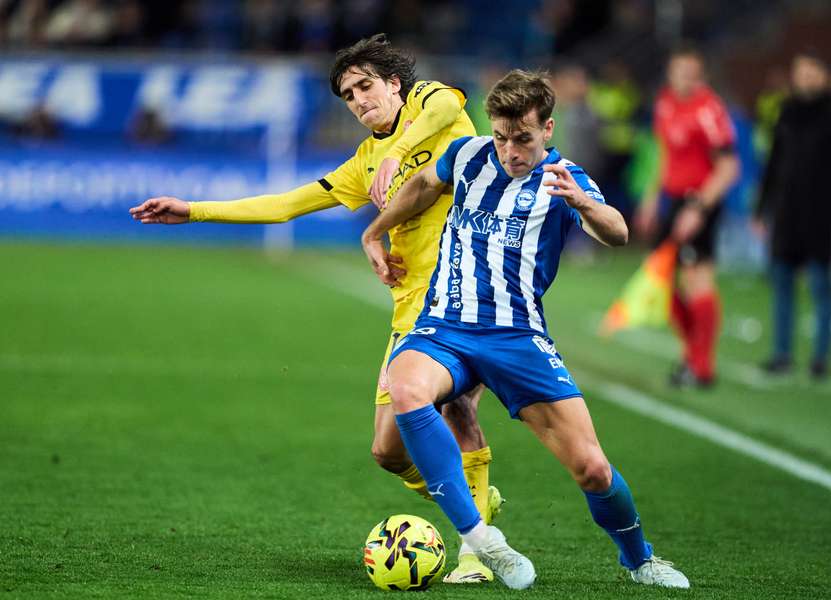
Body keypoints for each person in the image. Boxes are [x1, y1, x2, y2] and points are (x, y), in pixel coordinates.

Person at [129, 34, 500, 583]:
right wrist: (195, 210)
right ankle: (474, 497)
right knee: (388, 453)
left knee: (458, 410)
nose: (358, 100)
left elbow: (451, 101)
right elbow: (287, 204)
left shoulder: (430, 105)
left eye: (366, 86)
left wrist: (399, 149)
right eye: (348, 94)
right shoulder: (363, 162)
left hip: (469, 291)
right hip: (409, 310)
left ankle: (477, 554)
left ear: (394, 84)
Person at [361, 69, 689, 590]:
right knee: (406, 387)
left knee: (593, 470)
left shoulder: (568, 179)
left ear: (548, 129)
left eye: (524, 139)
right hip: (445, 325)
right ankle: (484, 541)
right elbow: (425, 185)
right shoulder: (469, 156)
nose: (511, 151)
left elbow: (619, 233)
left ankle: (640, 560)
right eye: (502, 137)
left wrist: (583, 204)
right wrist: (374, 232)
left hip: (518, 339)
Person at [635, 44, 740, 388]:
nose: (686, 79)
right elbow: (666, 156)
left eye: (692, 73)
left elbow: (729, 167)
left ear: (701, 75)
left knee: (697, 280)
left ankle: (700, 366)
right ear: (670, 73)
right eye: (680, 71)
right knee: (662, 281)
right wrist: (652, 199)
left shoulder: (709, 109)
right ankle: (693, 356)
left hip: (700, 202)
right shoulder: (665, 103)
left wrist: (698, 209)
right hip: (673, 201)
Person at [753, 52, 831, 379]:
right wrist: (762, 208)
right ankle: (782, 354)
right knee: (783, 285)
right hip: (786, 214)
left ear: (823, 75)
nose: (806, 77)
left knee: (820, 286)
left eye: (812, 71)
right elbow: (773, 163)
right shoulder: (786, 112)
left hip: (820, 215)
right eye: (801, 72)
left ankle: (820, 359)